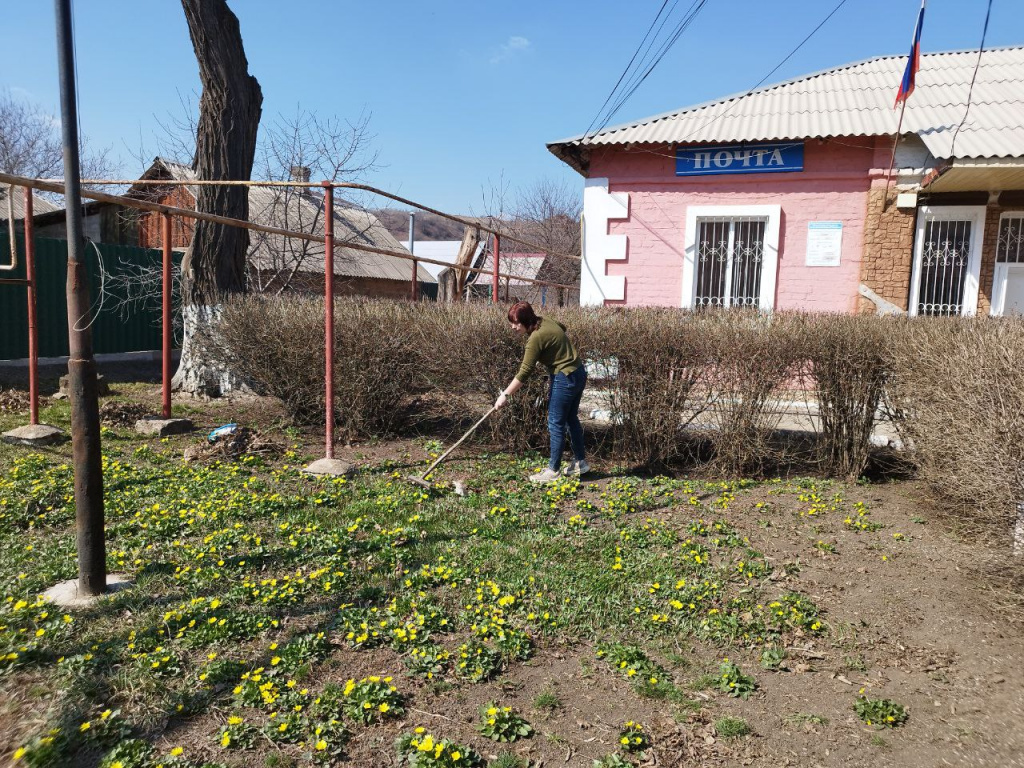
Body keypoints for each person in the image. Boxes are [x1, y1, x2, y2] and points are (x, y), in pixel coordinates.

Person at [495, 301, 589, 483]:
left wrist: (505, 395)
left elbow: (524, 372)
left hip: (565, 377)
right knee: (570, 418)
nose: (513, 327)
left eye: (516, 323)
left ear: (527, 321)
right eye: (511, 322)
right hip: (578, 372)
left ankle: (553, 471)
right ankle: (580, 462)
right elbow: (563, 327)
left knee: (555, 422)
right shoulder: (545, 321)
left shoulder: (535, 339)